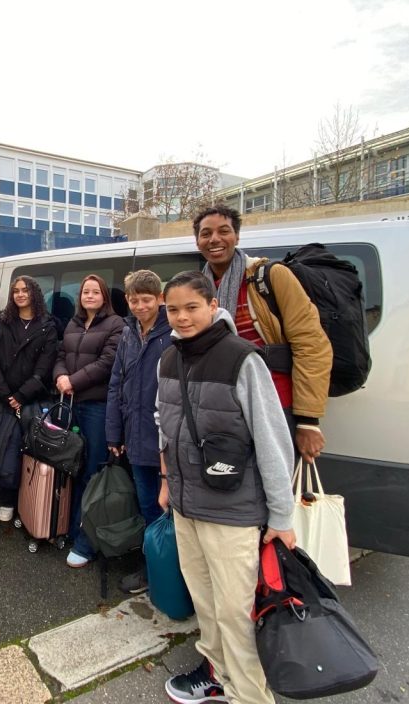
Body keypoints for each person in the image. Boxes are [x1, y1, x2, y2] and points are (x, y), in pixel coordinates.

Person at [157, 270, 295, 704]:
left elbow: (272, 440)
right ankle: (217, 675)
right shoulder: (168, 358)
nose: (182, 317)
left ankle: (249, 695)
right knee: (206, 603)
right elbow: (164, 424)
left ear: (213, 306)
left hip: (232, 511)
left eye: (191, 307)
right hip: (186, 506)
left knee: (236, 613)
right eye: (173, 309)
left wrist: (282, 515)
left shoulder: (242, 359)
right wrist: (166, 481)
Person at [193, 204, 332, 463]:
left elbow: (311, 344)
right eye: (206, 233)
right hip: (224, 406)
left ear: (237, 236)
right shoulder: (199, 288)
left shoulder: (271, 276)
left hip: (275, 403)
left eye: (224, 231)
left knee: (275, 480)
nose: (214, 239)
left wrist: (308, 420)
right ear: (197, 241)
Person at [105, 269, 172, 594]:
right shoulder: (129, 332)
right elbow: (116, 383)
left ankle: (170, 571)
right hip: (135, 435)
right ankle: (154, 567)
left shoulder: (173, 332)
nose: (140, 306)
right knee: (148, 505)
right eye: (134, 300)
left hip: (165, 439)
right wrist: (114, 433)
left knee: (167, 508)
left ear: (160, 298)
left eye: (146, 299)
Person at [54, 274, 124, 568]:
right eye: (86, 292)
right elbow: (60, 354)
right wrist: (60, 376)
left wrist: (73, 381)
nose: (90, 296)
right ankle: (70, 528)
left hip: (97, 407)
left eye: (96, 291)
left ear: (104, 296)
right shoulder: (73, 323)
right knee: (71, 469)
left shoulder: (116, 324)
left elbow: (107, 363)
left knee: (93, 473)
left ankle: (86, 542)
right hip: (71, 405)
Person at [0, 276, 58, 521]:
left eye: (25, 290)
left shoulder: (47, 326)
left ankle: (27, 503)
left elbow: (44, 369)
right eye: (16, 291)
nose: (20, 294)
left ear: (34, 293)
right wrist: (6, 395)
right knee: (4, 449)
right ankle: (6, 500)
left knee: (28, 450)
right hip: (4, 399)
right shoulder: (1, 322)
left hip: (31, 400)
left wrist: (20, 395)